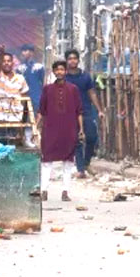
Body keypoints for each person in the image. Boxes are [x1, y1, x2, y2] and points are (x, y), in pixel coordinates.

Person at [37, 60, 83, 202]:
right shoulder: (47, 89)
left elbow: (78, 111)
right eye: (57, 70)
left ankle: (65, 191)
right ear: (54, 72)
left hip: (69, 129)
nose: (59, 72)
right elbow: (41, 111)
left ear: (66, 71)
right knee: (46, 160)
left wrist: (81, 129)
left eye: (62, 70)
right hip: (50, 129)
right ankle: (44, 190)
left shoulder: (73, 89)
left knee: (68, 161)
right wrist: (35, 127)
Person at [63, 49, 105, 177]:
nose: (72, 61)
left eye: (74, 58)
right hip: (70, 113)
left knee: (92, 137)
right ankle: (80, 169)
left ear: (78, 60)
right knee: (76, 141)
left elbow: (91, 93)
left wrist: (99, 110)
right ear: (66, 61)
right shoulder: (63, 77)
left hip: (86, 110)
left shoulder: (85, 76)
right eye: (70, 59)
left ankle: (87, 163)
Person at [0, 50, 30, 141]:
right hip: (1, 115)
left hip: (16, 116)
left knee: (14, 143)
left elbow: (25, 99)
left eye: (8, 61)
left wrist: (23, 119)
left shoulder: (20, 78)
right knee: (2, 142)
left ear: (12, 63)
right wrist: (1, 54)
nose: (6, 63)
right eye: (4, 61)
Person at [16, 44, 45, 116]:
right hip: (24, 97)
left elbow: (43, 81)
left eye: (25, 51)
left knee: (38, 118)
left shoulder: (39, 67)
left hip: (37, 97)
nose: (23, 53)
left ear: (32, 52)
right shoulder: (19, 68)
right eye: (22, 51)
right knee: (24, 118)